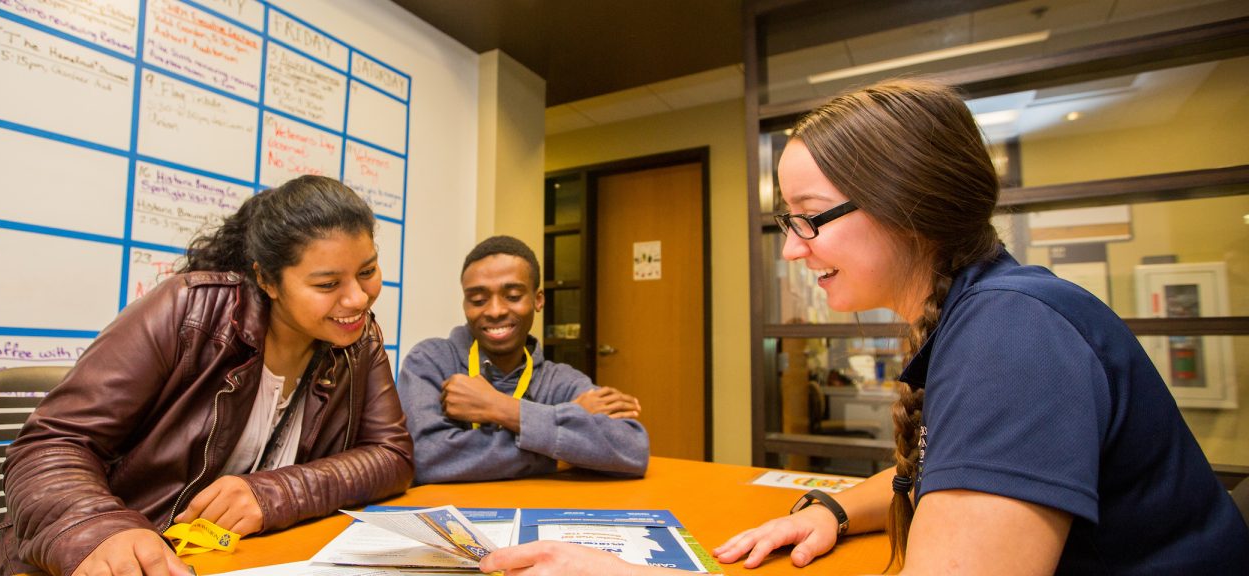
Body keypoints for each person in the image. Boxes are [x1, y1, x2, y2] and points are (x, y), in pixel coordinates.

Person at [479, 79, 1249, 575]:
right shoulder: (984, 312)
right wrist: (837, 507)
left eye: (809, 220)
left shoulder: (1014, 338)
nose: (791, 247)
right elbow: (958, 476)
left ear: (907, 207)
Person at [0, 175, 414, 576]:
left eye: (367, 272)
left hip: (234, 557)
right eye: (327, 284)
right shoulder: (189, 311)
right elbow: (52, 444)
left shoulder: (359, 340)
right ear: (267, 279)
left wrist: (277, 493)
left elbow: (391, 455)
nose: (358, 298)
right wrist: (103, 531)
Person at [397, 235, 649, 484]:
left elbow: (632, 449)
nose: (495, 310)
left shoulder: (559, 380)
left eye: (513, 296)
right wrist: (564, 450)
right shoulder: (430, 360)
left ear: (538, 300)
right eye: (478, 300)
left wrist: (500, 407)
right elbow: (426, 458)